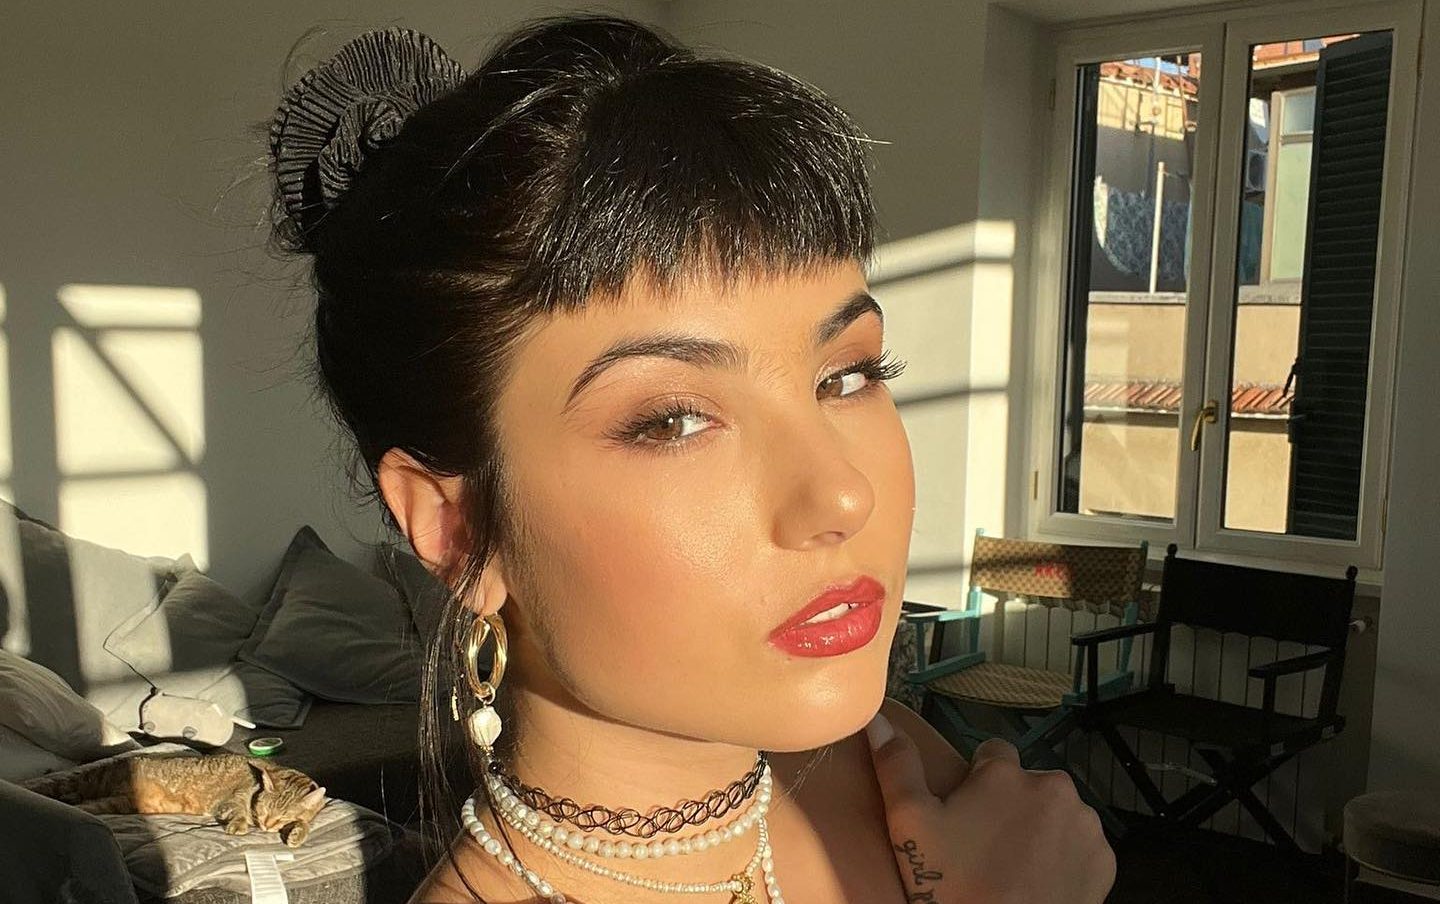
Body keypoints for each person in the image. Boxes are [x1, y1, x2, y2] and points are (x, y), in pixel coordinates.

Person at [266, 14, 1116, 904]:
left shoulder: (894, 768)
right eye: (673, 421)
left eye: (847, 375)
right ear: (456, 526)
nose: (843, 494)